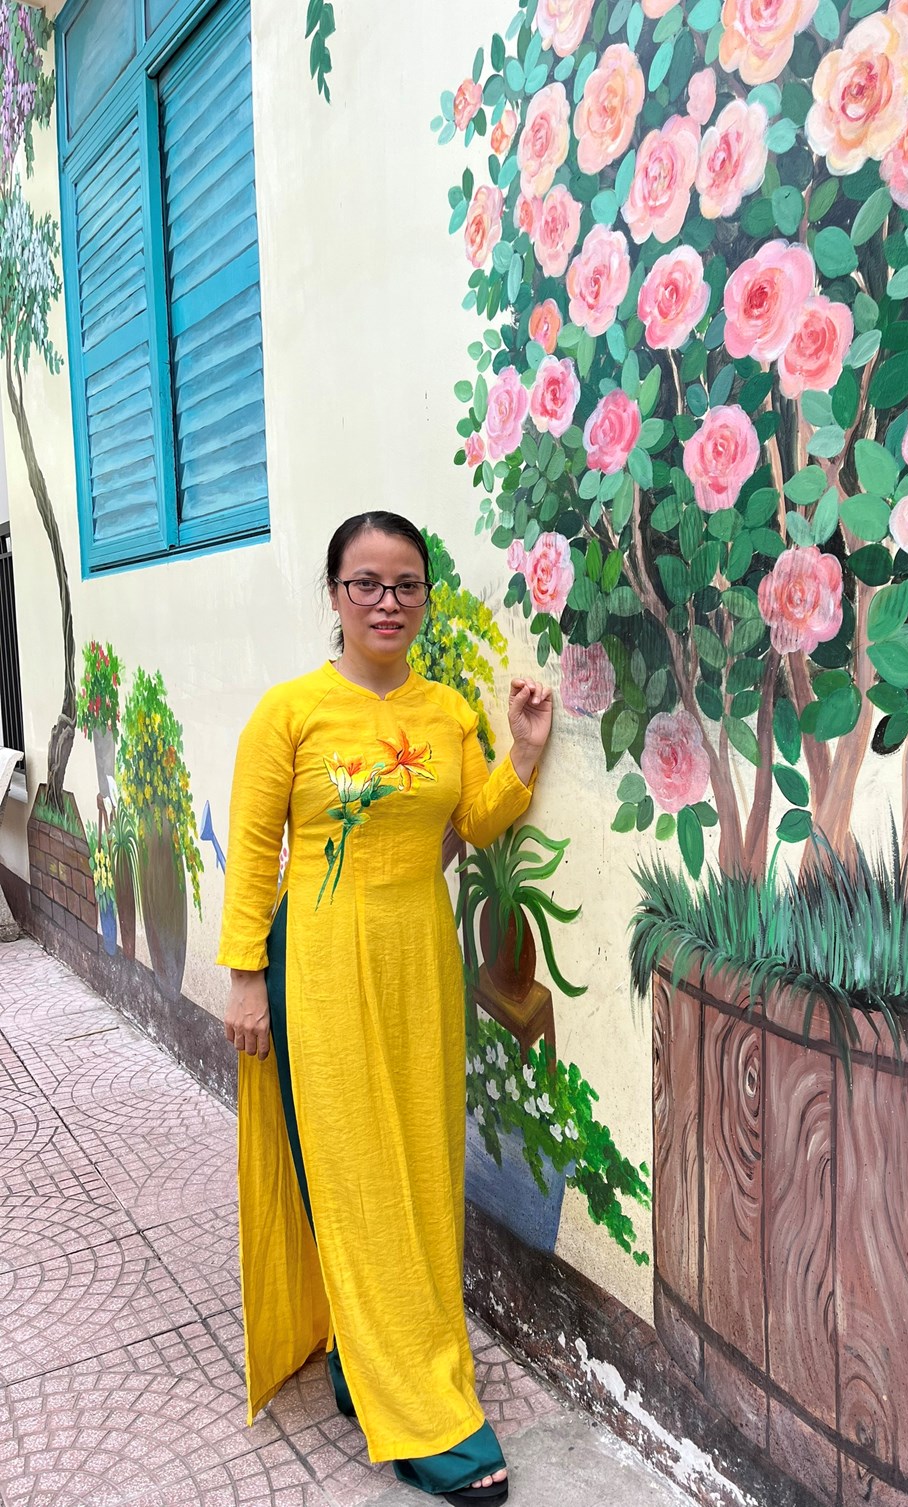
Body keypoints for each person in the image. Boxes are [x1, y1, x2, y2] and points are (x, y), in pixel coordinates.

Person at [218, 511, 552, 1505]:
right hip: (319, 959)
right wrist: (244, 977)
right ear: (334, 594)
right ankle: (420, 1405)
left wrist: (523, 753)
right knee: (358, 1169)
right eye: (365, 583)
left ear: (424, 598)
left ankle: (364, 1360)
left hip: (418, 959)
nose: (386, 601)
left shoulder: (446, 710)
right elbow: (253, 851)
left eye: (405, 584)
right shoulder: (290, 712)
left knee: (421, 1164)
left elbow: (474, 820)